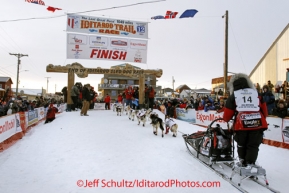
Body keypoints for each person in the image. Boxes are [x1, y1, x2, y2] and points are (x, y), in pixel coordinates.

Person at [222, 73, 268, 167]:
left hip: (241, 125)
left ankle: (243, 161)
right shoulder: (257, 94)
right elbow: (265, 112)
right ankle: (250, 163)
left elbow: (226, 116)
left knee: (241, 144)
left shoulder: (234, 96)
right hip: (257, 123)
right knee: (253, 145)